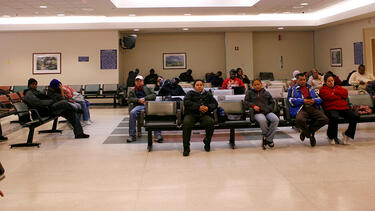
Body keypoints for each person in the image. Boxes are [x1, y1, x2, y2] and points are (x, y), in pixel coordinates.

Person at [24, 78, 89, 139]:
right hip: (42, 112)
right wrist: (52, 101)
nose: (35, 86)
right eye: (33, 84)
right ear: (29, 85)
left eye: (36, 84)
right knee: (63, 102)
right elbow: (39, 103)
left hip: (48, 109)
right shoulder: (29, 94)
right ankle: (77, 110)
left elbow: (46, 98)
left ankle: (79, 133)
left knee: (70, 112)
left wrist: (51, 100)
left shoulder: (36, 91)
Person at [287, 73, 328, 146]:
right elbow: (290, 100)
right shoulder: (292, 89)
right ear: (297, 80)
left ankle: (306, 132)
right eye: (301, 80)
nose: (303, 81)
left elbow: (320, 99)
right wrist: (303, 101)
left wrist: (314, 100)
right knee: (300, 120)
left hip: (312, 107)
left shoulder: (311, 88)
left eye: (304, 80)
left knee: (324, 119)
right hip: (301, 108)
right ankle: (310, 135)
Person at [319, 75, 359, 145]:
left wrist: (334, 92)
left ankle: (347, 134)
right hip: (330, 108)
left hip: (342, 107)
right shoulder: (322, 89)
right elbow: (328, 97)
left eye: (332, 81)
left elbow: (345, 93)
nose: (331, 82)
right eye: (329, 81)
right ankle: (331, 136)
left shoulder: (338, 87)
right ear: (325, 82)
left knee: (355, 116)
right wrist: (339, 95)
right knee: (334, 117)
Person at [182, 79, 218, 156]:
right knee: (186, 123)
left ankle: (207, 142)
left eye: (201, 85)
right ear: (194, 86)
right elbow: (186, 103)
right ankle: (186, 147)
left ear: (203, 86)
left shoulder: (208, 94)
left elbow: (215, 104)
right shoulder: (190, 93)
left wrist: (208, 108)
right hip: (191, 115)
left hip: (204, 115)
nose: (199, 86)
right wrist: (198, 107)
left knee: (210, 122)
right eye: (197, 85)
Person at [244, 79, 279, 149]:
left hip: (267, 112)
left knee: (276, 119)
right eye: (255, 85)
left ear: (261, 84)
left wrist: (268, 109)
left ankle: (268, 139)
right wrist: (253, 106)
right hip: (257, 113)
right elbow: (245, 102)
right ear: (252, 86)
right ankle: (269, 138)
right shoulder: (249, 92)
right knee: (263, 120)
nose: (257, 86)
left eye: (258, 84)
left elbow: (272, 103)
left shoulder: (266, 93)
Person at [127, 75, 163, 143]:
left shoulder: (147, 88)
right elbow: (130, 99)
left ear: (143, 82)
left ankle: (158, 135)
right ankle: (132, 135)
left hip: (149, 105)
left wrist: (145, 99)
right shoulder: (133, 90)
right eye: (137, 81)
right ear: (135, 82)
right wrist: (138, 100)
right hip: (139, 106)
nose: (138, 82)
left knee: (156, 113)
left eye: (140, 81)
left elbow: (154, 95)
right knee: (132, 113)